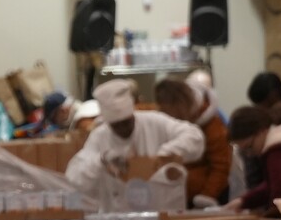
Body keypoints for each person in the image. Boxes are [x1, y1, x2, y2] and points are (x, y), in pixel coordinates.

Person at [64, 79, 205, 210]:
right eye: (117, 126)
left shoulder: (154, 122)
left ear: (133, 114)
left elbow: (194, 137)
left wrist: (163, 154)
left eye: (127, 122)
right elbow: (75, 177)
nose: (123, 129)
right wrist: (101, 159)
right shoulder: (100, 137)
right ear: (108, 123)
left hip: (161, 213)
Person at [154, 78, 231, 207]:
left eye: (169, 113)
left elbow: (221, 166)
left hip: (207, 196)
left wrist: (207, 196)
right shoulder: (172, 120)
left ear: (179, 105)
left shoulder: (213, 126)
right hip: (180, 194)